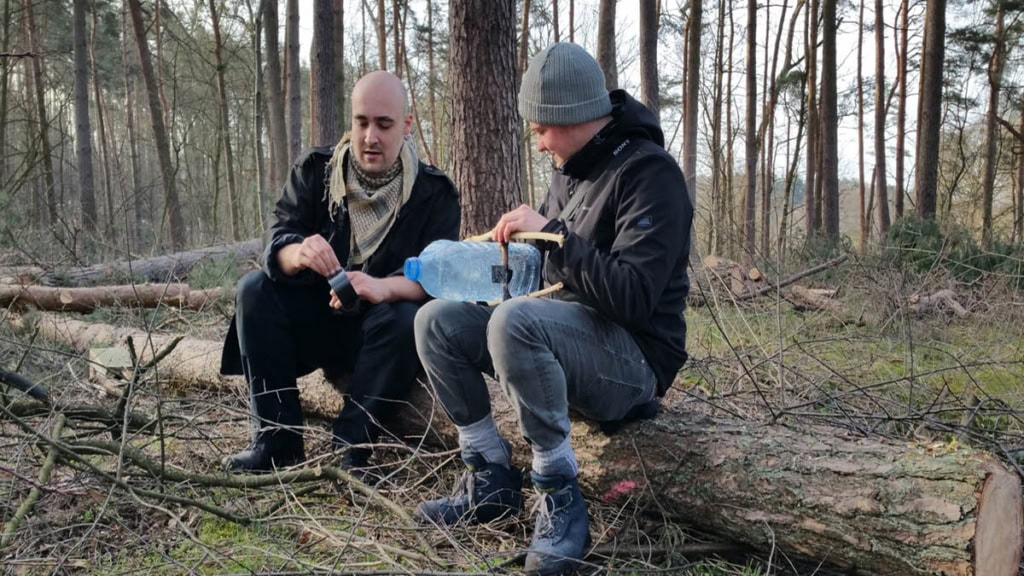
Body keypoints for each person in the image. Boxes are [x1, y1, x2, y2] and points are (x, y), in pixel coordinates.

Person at [412, 43, 693, 575]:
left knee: (513, 322)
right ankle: (490, 475)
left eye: (542, 129)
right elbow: (548, 275)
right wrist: (500, 263)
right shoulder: (570, 170)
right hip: (561, 343)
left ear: (575, 116)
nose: (539, 144)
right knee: (437, 320)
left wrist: (554, 237)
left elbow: (634, 296)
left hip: (634, 366)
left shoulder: (651, 175)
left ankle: (558, 491)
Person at [220, 71, 460, 478]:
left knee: (406, 318)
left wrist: (382, 288)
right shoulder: (316, 171)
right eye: (361, 122)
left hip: (382, 340)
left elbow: (437, 277)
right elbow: (278, 239)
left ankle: (352, 448)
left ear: (406, 124)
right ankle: (276, 441)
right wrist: (297, 253)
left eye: (384, 125)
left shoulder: (433, 194)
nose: (370, 137)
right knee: (253, 290)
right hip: (313, 325)